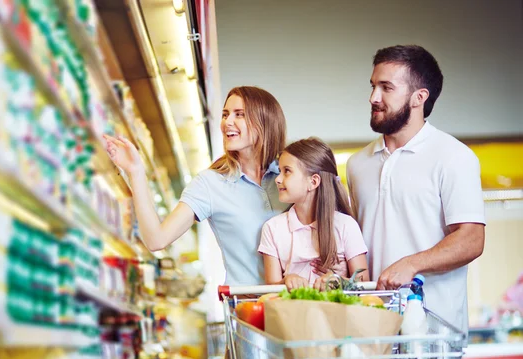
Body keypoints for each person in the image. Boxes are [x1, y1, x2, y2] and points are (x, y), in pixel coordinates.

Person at [346, 45, 485, 333]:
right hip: (371, 328)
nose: (373, 98)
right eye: (373, 86)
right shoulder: (357, 164)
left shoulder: (454, 156)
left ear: (419, 97)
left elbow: (471, 239)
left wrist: (412, 264)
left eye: (386, 88)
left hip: (436, 333)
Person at [104, 86, 289, 286]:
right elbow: (156, 240)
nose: (228, 122)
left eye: (239, 114)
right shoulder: (210, 184)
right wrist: (135, 172)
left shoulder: (289, 174)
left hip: (296, 305)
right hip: (247, 310)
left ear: (266, 122)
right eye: (225, 114)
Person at [258, 137, 369, 292]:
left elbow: (364, 283)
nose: (278, 179)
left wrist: (338, 281)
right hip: (293, 314)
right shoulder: (272, 228)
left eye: (287, 171)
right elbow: (270, 290)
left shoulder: (346, 225)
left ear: (313, 182)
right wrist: (286, 281)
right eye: (279, 171)